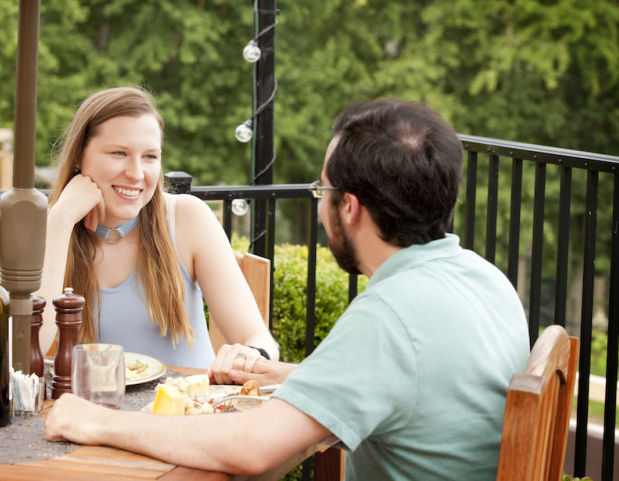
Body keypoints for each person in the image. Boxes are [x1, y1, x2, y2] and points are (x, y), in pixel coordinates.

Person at [44, 98, 531, 480]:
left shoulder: (390, 318)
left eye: (321, 192)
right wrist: (269, 369)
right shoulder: (485, 279)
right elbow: (396, 381)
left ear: (350, 208)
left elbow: (252, 447)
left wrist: (97, 422)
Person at [35, 86, 278, 375]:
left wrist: (250, 354)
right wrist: (61, 218)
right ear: (79, 156)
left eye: (150, 157)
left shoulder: (187, 218)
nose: (137, 173)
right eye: (119, 153)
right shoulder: (53, 230)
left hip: (184, 411)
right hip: (94, 414)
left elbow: (259, 339)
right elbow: (23, 352)